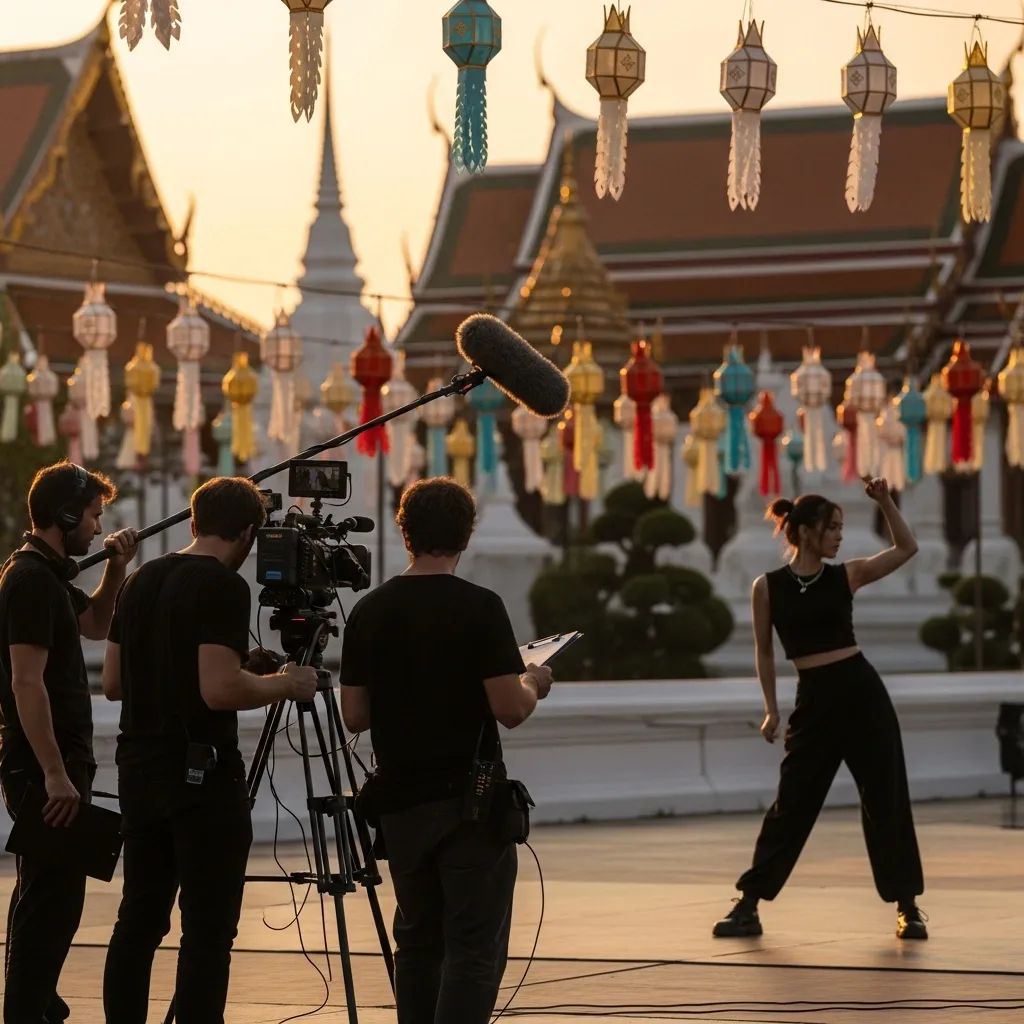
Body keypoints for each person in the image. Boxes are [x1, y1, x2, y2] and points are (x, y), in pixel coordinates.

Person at [100, 477, 318, 1024]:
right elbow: (217, 691)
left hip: (139, 768)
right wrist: (286, 684)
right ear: (248, 532)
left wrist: (246, 670)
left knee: (140, 919)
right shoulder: (221, 585)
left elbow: (113, 682)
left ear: (193, 522)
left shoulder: (142, 578)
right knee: (207, 928)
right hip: (200, 774)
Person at [339, 477, 553, 1024]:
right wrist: (534, 679)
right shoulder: (480, 607)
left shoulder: (369, 610)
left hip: (401, 804)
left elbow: (354, 716)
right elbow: (509, 707)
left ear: (404, 531)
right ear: (466, 534)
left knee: (416, 941)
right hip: (469, 804)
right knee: (473, 948)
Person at [712, 477, 927, 941]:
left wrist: (886, 502)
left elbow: (906, 548)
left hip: (862, 694)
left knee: (885, 799)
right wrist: (771, 709)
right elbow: (765, 652)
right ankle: (748, 903)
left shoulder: (845, 575)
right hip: (813, 700)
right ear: (806, 531)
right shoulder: (766, 588)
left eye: (841, 528)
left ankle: (908, 906)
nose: (839, 536)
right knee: (792, 804)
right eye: (832, 527)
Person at [0, 460, 138, 1024]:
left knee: (47, 894)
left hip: (56, 762)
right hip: (44, 768)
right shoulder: (31, 581)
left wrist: (117, 569)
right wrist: (55, 775)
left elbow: (99, 625)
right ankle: (29, 1008)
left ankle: (35, 1001)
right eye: (92, 515)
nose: (96, 525)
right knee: (52, 902)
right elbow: (25, 682)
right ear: (64, 515)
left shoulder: (49, 576)